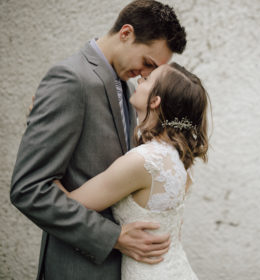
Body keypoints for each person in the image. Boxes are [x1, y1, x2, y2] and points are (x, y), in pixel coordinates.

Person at [10, 0, 186, 280]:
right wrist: (113, 237)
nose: (146, 75)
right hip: (76, 268)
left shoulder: (127, 89)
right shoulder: (70, 80)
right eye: (147, 63)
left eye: (153, 71)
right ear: (126, 33)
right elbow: (28, 189)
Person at [54, 62, 209, 279]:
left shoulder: (143, 161)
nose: (139, 80)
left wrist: (46, 134)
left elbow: (68, 205)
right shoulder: (182, 159)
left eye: (147, 79)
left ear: (155, 101)